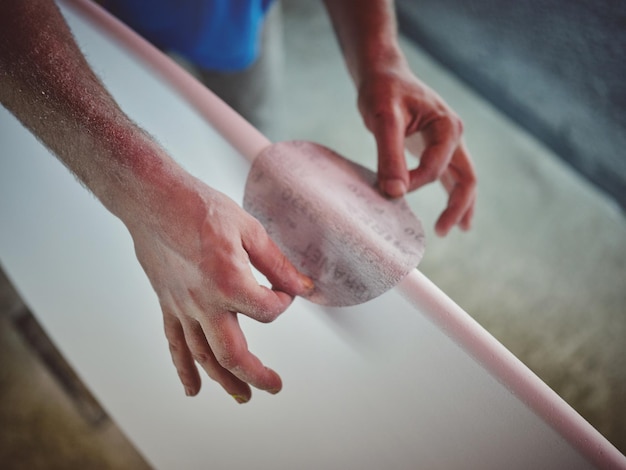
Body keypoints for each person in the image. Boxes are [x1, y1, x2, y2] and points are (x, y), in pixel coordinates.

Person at [0, 0, 476, 404]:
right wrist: (141, 190)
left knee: (251, 147)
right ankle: (34, 312)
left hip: (237, 17)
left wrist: (379, 56)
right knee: (53, 183)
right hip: (75, 16)